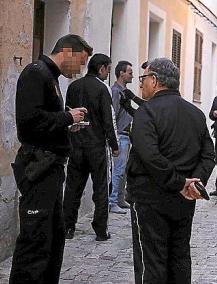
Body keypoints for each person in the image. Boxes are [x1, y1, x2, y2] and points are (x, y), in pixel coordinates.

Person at [9, 34, 92, 284]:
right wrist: (68, 118)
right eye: (81, 61)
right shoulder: (37, 73)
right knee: (35, 240)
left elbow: (44, 122)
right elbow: (29, 122)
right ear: (67, 51)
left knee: (52, 240)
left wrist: (66, 123)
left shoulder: (50, 77)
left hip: (51, 168)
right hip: (39, 167)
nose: (80, 69)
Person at [127, 58, 215, 283]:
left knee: (152, 261)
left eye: (143, 79)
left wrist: (181, 183)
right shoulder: (196, 114)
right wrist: (194, 182)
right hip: (183, 200)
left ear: (154, 80)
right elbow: (208, 155)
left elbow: (150, 156)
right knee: (179, 258)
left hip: (150, 198)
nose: (140, 85)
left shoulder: (146, 113)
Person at [63, 53, 119, 241]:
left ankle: (68, 227)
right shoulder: (102, 89)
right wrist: (114, 144)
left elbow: (67, 113)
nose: (107, 74)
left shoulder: (73, 87)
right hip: (96, 146)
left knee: (72, 188)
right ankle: (101, 230)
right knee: (101, 189)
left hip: (76, 145)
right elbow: (107, 120)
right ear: (102, 68)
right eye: (108, 69)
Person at [109, 60, 134, 214]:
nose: (132, 75)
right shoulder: (115, 92)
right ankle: (112, 201)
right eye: (130, 72)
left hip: (127, 135)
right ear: (121, 73)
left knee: (123, 170)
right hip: (120, 135)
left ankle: (119, 198)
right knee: (118, 170)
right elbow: (113, 114)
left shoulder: (125, 92)